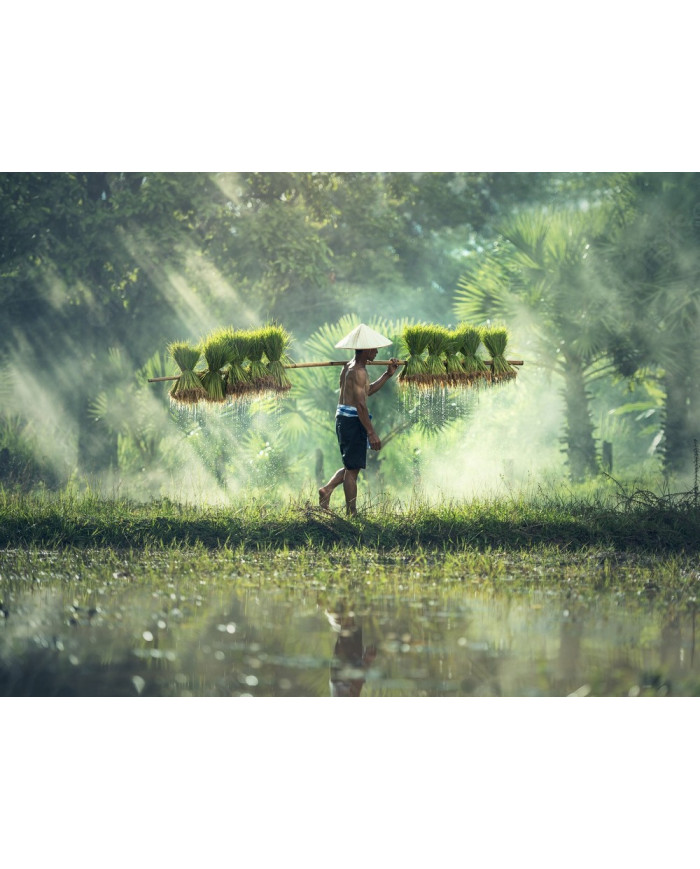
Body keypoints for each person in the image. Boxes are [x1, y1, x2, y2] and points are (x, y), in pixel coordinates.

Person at [318, 323, 399, 515]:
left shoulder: (349, 367)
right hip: (352, 421)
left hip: (343, 419)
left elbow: (367, 391)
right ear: (366, 350)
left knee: (350, 466)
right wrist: (371, 432)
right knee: (353, 472)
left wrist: (387, 375)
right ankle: (351, 513)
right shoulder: (359, 372)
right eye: (374, 348)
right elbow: (361, 405)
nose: (377, 351)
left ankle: (327, 490)